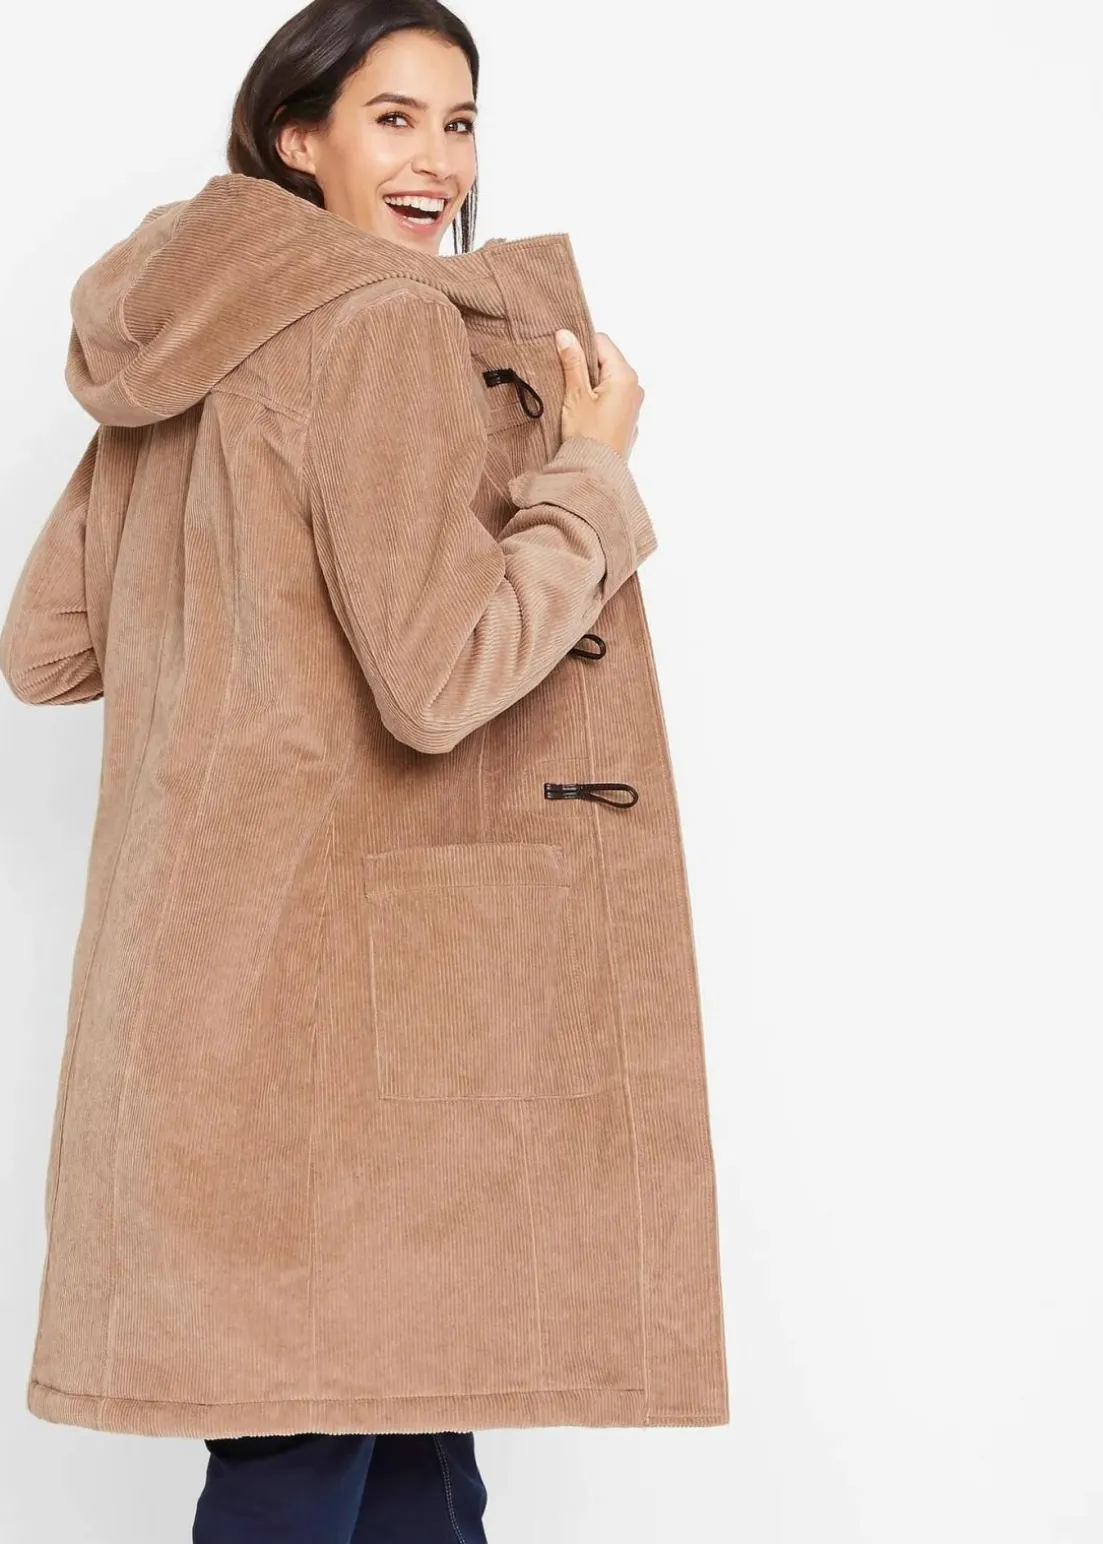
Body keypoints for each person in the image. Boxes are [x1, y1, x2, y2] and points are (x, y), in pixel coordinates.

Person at [0, 0, 729, 1539]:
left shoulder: (185, 341)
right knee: (329, 1450)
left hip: (191, 989)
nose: (437, 163)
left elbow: (48, 648)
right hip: (348, 1027)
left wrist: (238, 626)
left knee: (387, 1457)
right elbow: (442, 676)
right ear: (297, 137)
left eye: (457, 124)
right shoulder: (380, 322)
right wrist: (587, 476)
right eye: (392, 118)